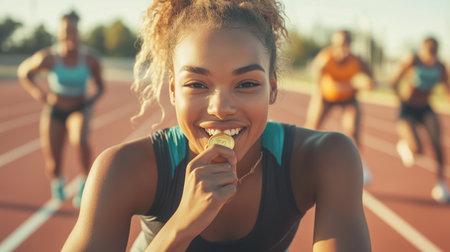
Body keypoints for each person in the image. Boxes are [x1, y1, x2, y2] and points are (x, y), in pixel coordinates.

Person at [62, 1, 370, 251]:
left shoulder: (326, 159)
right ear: (173, 91)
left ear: (272, 87)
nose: (220, 107)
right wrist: (179, 227)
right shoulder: (122, 169)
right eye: (197, 83)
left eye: (247, 83)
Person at [17, 10, 104, 208]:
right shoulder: (48, 58)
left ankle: (84, 181)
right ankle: (58, 178)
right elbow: (24, 72)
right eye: (66, 32)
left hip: (79, 109)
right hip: (54, 109)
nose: (70, 36)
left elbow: (100, 86)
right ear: (59, 34)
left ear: (79, 33)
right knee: (53, 164)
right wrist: (38, 93)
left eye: (73, 31)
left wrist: (89, 103)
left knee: (80, 140)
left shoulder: (90, 60)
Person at [304, 30, 375, 185]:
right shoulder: (325, 59)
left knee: (353, 130)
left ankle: (361, 166)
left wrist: (367, 82)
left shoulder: (357, 61)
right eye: (338, 44)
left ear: (350, 45)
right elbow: (317, 81)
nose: (341, 48)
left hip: (348, 98)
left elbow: (371, 81)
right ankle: (303, 162)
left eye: (345, 44)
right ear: (333, 45)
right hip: (327, 96)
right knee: (311, 127)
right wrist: (319, 97)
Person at [391, 37, 450, 203]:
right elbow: (394, 81)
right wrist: (400, 99)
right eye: (429, 51)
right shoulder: (412, 60)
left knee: (438, 144)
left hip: (425, 109)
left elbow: (447, 91)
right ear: (422, 49)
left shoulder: (441, 67)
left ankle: (440, 185)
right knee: (418, 150)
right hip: (407, 109)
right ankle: (406, 145)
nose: (431, 55)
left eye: (435, 51)